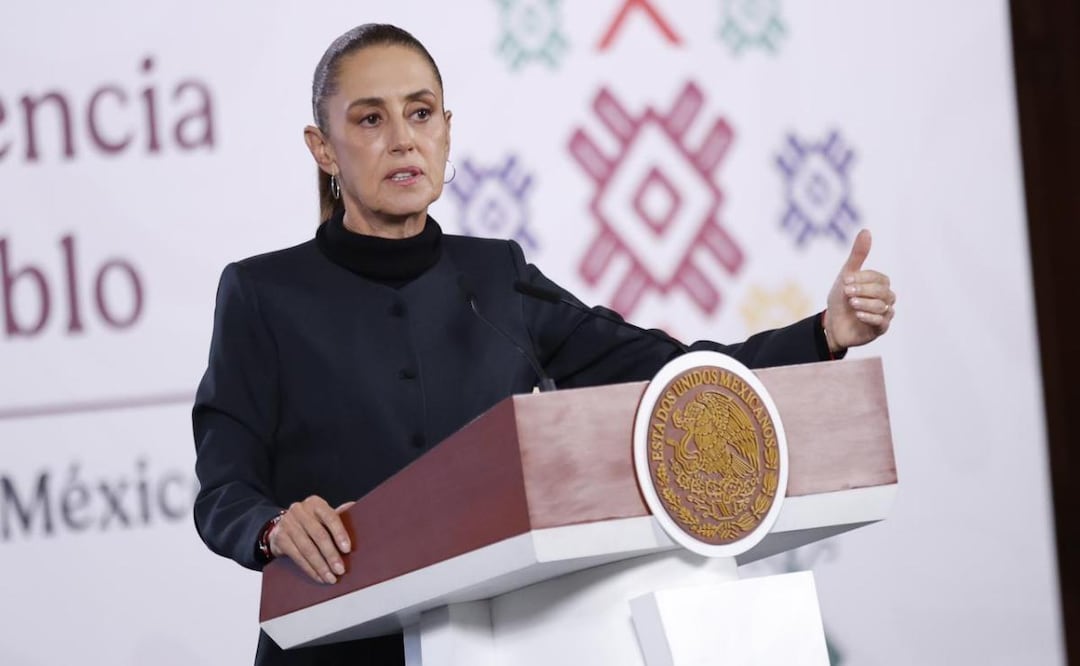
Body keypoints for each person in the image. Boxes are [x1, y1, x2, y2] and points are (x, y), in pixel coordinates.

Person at [192, 23, 896, 666]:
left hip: (488, 643)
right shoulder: (263, 293)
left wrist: (822, 334)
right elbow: (224, 488)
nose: (403, 139)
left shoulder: (495, 276)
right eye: (370, 119)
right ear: (323, 148)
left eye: (421, 113)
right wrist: (273, 526)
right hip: (332, 646)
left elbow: (669, 374)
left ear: (447, 131)